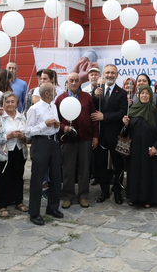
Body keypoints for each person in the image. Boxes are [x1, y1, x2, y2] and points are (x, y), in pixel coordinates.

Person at [55, 72, 98, 209]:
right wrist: (64, 127)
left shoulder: (87, 97)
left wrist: (95, 136)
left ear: (80, 82)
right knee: (68, 169)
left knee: (84, 169)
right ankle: (68, 196)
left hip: (85, 138)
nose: (74, 83)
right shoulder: (61, 98)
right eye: (71, 80)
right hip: (67, 140)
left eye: (76, 80)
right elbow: (56, 120)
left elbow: (93, 118)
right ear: (67, 82)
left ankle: (83, 196)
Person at [25, 83, 64, 225]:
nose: (55, 93)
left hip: (54, 142)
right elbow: (27, 131)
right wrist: (44, 125)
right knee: (38, 178)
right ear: (47, 93)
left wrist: (56, 124)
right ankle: (34, 212)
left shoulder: (53, 105)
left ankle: (52, 208)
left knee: (56, 176)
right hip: (40, 143)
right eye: (53, 91)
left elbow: (55, 123)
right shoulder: (34, 109)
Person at [121, 85, 157, 207]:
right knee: (134, 173)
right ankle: (134, 197)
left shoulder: (156, 112)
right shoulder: (132, 110)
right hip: (134, 150)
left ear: (151, 96)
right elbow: (125, 132)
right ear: (138, 95)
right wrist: (125, 125)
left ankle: (148, 199)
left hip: (149, 149)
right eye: (142, 93)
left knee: (148, 173)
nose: (144, 95)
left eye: (147, 93)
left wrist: (156, 147)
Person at [91, 64, 128, 204]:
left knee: (118, 165)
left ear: (117, 75)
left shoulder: (122, 93)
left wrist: (104, 117)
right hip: (100, 136)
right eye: (107, 72)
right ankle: (104, 191)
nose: (110, 75)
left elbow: (122, 112)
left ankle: (117, 192)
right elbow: (91, 108)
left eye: (113, 73)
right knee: (100, 165)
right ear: (103, 75)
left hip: (115, 135)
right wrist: (94, 97)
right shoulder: (97, 91)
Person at [0, 92, 29, 218]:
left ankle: (18, 201)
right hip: (4, 152)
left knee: (18, 177)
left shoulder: (22, 117)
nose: (10, 104)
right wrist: (9, 136)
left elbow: (28, 135)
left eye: (13, 101)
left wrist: (23, 137)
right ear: (3, 104)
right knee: (3, 178)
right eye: (8, 102)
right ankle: (2, 205)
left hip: (19, 150)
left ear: (17, 103)